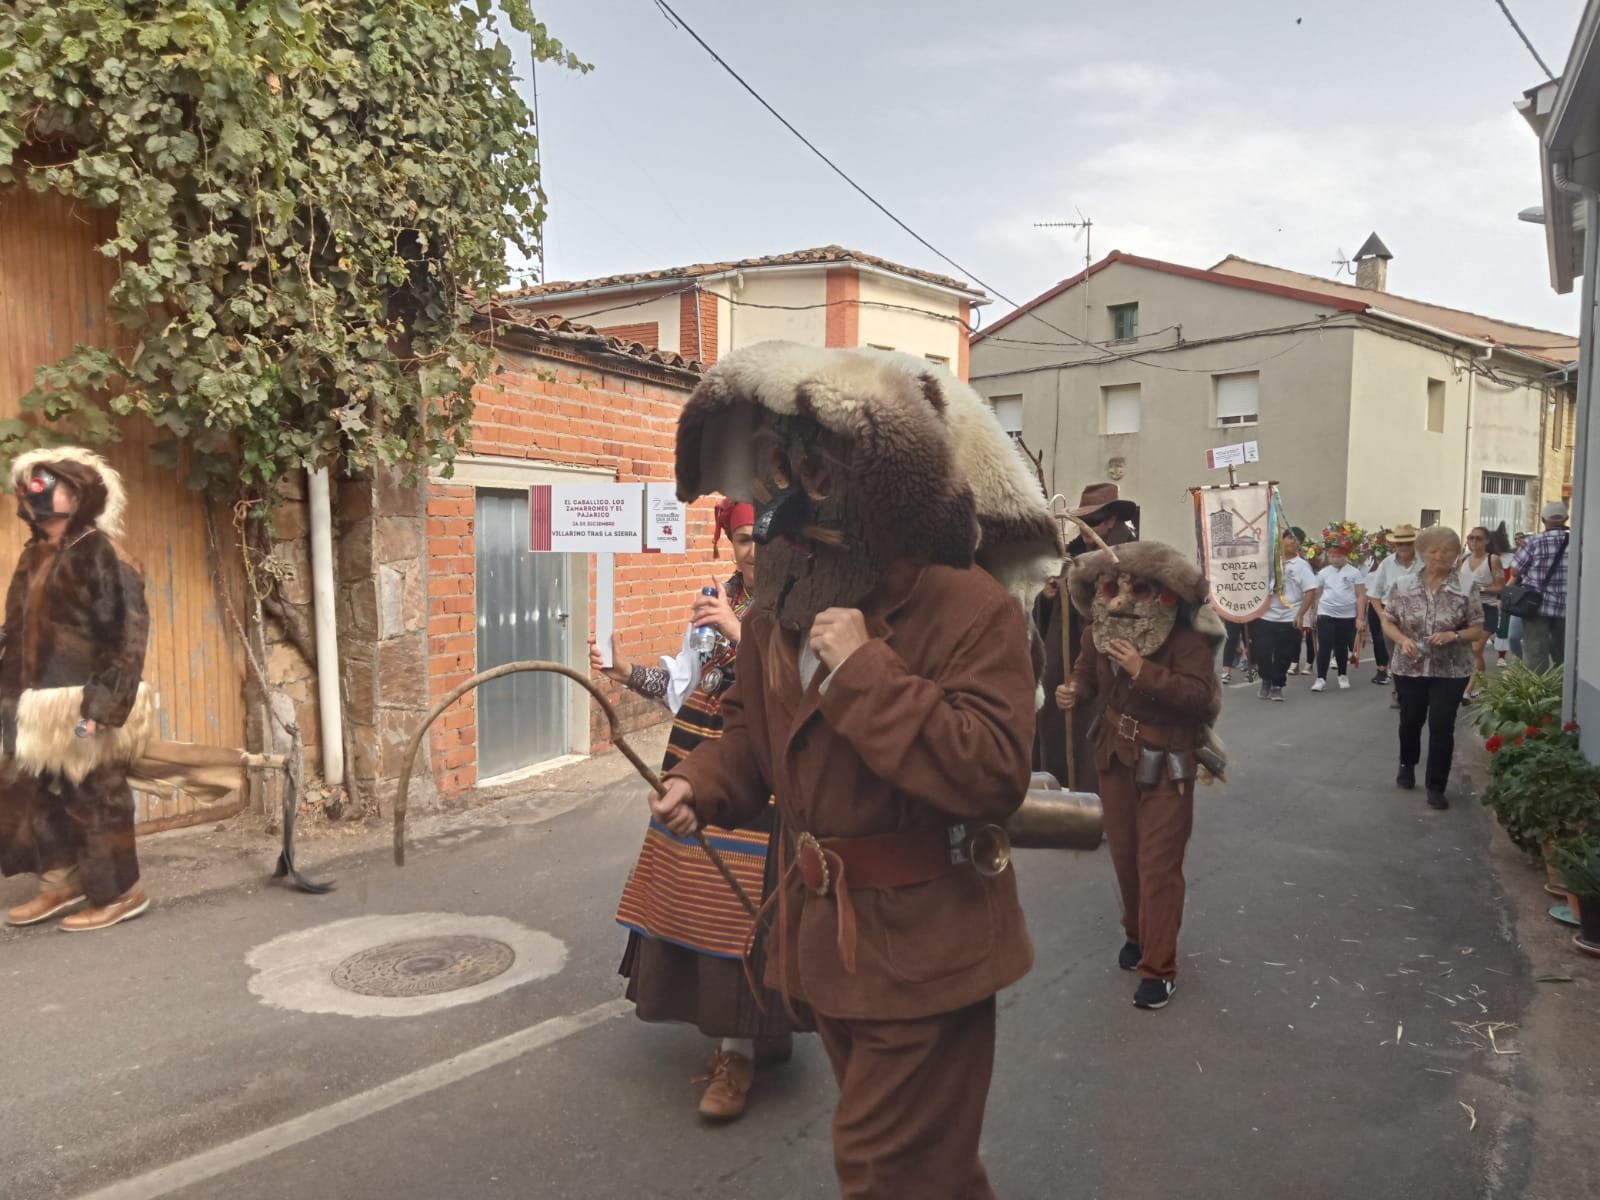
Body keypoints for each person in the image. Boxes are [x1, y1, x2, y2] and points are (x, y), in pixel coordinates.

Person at [653, 343, 1060, 1199]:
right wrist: (704, 780)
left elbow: (993, 772)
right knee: (929, 1173)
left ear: (879, 485)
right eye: (777, 468)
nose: (786, 502)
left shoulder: (968, 605)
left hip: (926, 948)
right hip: (823, 944)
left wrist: (865, 671)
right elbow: (752, 740)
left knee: (888, 1173)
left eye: (815, 470)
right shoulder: (778, 611)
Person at [591, 498, 800, 1121]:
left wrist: (744, 635)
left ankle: (741, 1050)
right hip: (696, 765)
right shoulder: (712, 600)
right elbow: (686, 683)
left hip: (761, 777)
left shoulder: (799, 607)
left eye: (761, 537)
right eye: (740, 539)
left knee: (747, 910)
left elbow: (798, 688)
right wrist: (627, 670)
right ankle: (747, 1036)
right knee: (700, 906)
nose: (751, 550)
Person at [1055, 542, 1224, 1010]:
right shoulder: (1096, 634)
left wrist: (1141, 669)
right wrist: (1073, 690)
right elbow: (1086, 674)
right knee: (1126, 858)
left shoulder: (1188, 641)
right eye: (1112, 588)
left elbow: (1199, 699)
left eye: (1140, 588)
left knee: (1159, 865)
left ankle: (1159, 968)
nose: (1123, 600)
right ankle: (1136, 934)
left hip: (1169, 759)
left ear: (1166, 594)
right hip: (1115, 755)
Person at [0, 448, 153, 931]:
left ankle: (120, 892)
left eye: (49, 482)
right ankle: (61, 882)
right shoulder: (35, 555)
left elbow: (125, 637)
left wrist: (101, 708)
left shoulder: (102, 554)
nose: (36, 492)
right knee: (40, 792)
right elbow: (19, 627)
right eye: (30, 485)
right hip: (32, 704)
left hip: (82, 701)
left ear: (80, 492)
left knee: (96, 796)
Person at [1034, 482, 1138, 790]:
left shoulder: (1129, 554)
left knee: (1102, 728)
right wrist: (1050, 594)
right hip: (1065, 652)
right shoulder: (1074, 554)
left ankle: (1104, 799)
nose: (1084, 529)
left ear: (1111, 521)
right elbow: (1047, 609)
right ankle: (1066, 792)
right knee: (1061, 719)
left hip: (1109, 655)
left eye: (1091, 522)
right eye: (1082, 522)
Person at [1379, 526, 1486, 810]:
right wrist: (1402, 640)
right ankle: (1407, 763)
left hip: (1451, 669)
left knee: (1442, 725)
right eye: (1434, 550)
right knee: (1410, 721)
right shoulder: (1402, 585)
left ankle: (1436, 785)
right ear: (1422, 553)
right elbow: (1388, 621)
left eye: (1447, 550)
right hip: (1409, 667)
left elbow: (1477, 629)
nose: (1440, 555)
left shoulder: (1467, 586)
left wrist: (1455, 635)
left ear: (1455, 554)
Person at [1250, 530, 1319, 701]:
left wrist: (1301, 614)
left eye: (1297, 540)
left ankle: (1277, 685)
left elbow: (1310, 590)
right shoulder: (1268, 561)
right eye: (1289, 538)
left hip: (1289, 615)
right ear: (1281, 539)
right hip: (1265, 614)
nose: (1292, 542)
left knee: (1284, 654)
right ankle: (1266, 678)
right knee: (1262, 651)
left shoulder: (1301, 566)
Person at [1508, 502, 1571, 672]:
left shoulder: (1533, 541)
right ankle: (1561, 691)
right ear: (1566, 518)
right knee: (1564, 653)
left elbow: (1515, 570)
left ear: (1543, 519)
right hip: (1569, 607)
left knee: (1535, 653)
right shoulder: (1578, 541)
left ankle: (1537, 692)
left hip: (1536, 605)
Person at [1367, 524, 1421, 707]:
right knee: (1395, 657)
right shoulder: (1386, 564)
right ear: (1394, 546)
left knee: (1417, 655)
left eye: (1407, 543)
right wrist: (1383, 617)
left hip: (1419, 616)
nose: (1403, 547)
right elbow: (1374, 595)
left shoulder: (1425, 563)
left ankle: (1416, 693)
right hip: (1393, 616)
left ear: (1414, 543)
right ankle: (1399, 691)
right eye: (1400, 544)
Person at [1310, 538, 1364, 692]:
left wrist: (1360, 617)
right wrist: (1313, 613)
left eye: (1339, 556)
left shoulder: (1354, 572)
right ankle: (1321, 678)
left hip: (1347, 615)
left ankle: (1342, 674)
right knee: (1324, 646)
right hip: (1326, 612)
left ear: (1346, 556)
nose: (1335, 559)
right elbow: (1317, 594)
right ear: (1328, 556)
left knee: (1341, 646)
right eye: (1332, 556)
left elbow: (1361, 595)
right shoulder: (1323, 573)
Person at [1459, 527, 1503, 697]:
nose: (1474, 542)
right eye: (1471, 538)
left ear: (1486, 541)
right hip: (1465, 609)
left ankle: (1467, 691)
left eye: (1478, 538)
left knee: (1476, 649)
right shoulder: (1462, 559)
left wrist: (1481, 589)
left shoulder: (1493, 560)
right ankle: (1483, 684)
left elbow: (1501, 586)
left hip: (1486, 608)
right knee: (1470, 650)